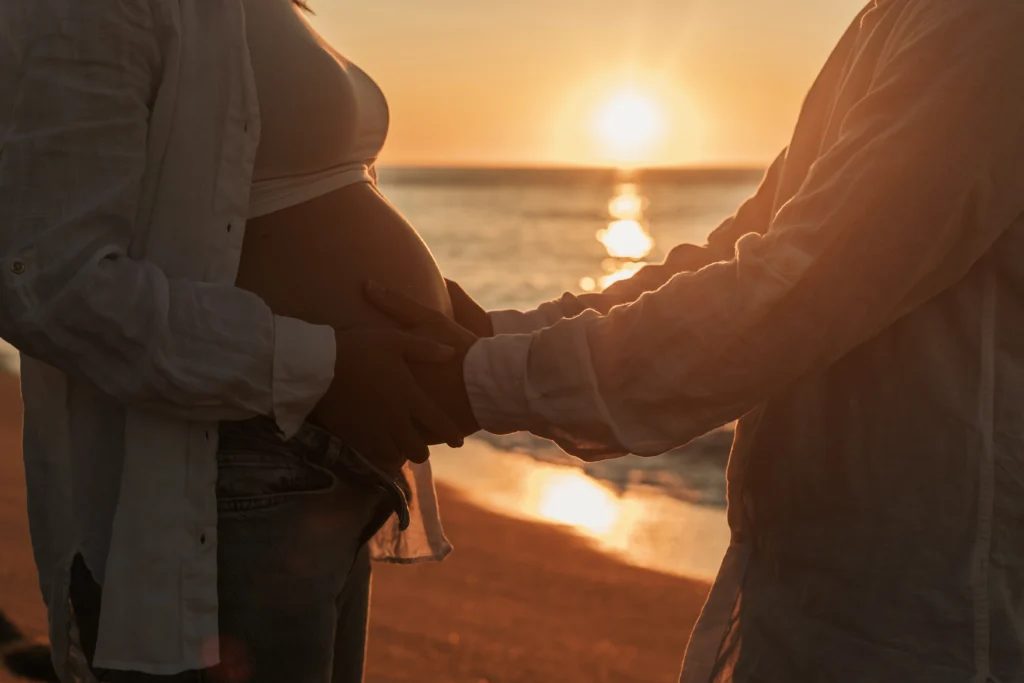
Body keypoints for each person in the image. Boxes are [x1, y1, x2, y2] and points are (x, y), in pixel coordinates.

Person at [371, 1, 1024, 681]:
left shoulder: (983, 21)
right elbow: (742, 253)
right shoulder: (895, 19)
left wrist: (477, 377)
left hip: (925, 613)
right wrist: (492, 335)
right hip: (823, 587)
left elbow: (799, 291)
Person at [0, 0, 473, 681]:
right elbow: (47, 278)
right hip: (230, 473)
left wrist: (429, 306)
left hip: (318, 474)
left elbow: (247, 206)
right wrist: (321, 366)